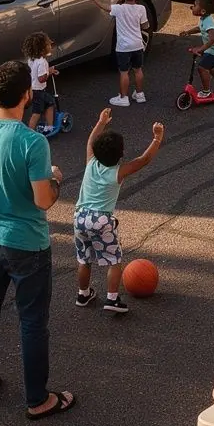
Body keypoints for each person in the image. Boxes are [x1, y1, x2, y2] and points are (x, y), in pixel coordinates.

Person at [0, 59, 74, 420]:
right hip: (26, 242)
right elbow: (43, 200)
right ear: (26, 95)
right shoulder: (32, 142)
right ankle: (38, 399)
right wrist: (56, 180)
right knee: (32, 321)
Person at [74, 110, 164, 311]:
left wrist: (101, 122)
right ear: (121, 155)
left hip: (80, 217)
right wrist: (157, 139)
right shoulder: (118, 172)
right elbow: (143, 160)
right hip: (102, 220)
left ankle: (83, 294)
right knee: (114, 260)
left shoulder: (91, 163)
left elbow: (90, 140)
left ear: (96, 151)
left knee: (84, 259)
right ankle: (112, 299)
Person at [109, 0, 149, 108]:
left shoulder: (118, 9)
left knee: (124, 72)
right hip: (138, 45)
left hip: (123, 47)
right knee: (138, 70)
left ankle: (123, 97)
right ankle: (140, 94)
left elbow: (106, 8)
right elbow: (145, 25)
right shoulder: (141, 8)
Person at [187, 0, 214, 98]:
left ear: (203, 11)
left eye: (194, 6)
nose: (191, 7)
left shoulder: (209, 21)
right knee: (210, 67)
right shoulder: (204, 19)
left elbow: (213, 38)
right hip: (213, 50)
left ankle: (206, 92)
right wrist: (188, 32)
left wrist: (201, 49)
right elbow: (200, 28)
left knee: (202, 68)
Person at [23, 32, 57, 132]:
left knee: (49, 103)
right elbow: (41, 78)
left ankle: (49, 126)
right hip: (39, 90)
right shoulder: (42, 62)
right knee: (36, 112)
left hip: (32, 89)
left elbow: (34, 72)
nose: (50, 46)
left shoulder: (31, 59)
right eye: (48, 45)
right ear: (42, 49)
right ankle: (30, 132)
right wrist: (49, 72)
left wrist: (48, 70)